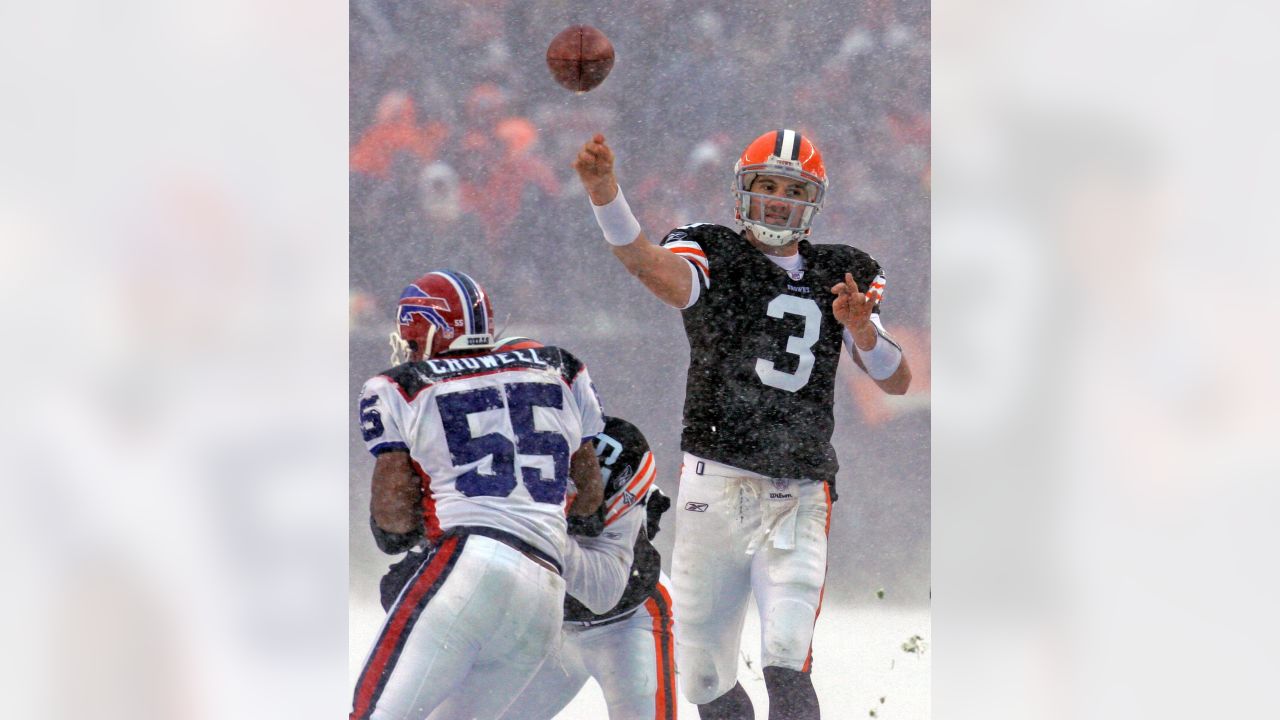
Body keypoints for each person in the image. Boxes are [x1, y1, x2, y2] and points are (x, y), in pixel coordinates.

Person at [573, 130, 912, 720]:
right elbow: (653, 269)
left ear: (814, 200)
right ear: (742, 191)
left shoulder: (845, 271)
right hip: (715, 482)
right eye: (767, 185)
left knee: (786, 658)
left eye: (792, 189)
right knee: (703, 679)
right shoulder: (713, 249)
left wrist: (861, 330)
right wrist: (606, 195)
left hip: (799, 491)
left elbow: (895, 379)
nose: (779, 199)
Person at [349, 271, 606, 720]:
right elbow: (588, 503)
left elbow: (392, 518)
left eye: (411, 340)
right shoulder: (559, 368)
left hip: (470, 564)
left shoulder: (401, 387)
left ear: (428, 330)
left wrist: (407, 534)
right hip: (546, 592)